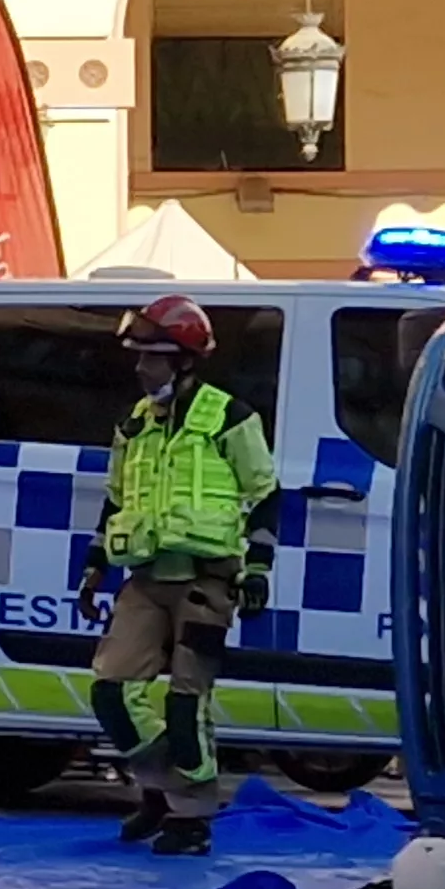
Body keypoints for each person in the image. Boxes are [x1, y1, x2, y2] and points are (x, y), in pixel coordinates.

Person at [72, 295, 278, 858]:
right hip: (144, 577)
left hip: (206, 580)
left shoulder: (230, 418)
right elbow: (115, 501)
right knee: (112, 692)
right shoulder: (133, 424)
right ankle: (165, 790)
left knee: (187, 704)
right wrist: (94, 568)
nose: (141, 368)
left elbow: (264, 495)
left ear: (184, 361)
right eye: (138, 357)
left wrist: (257, 569)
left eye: (152, 358)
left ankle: (192, 818)